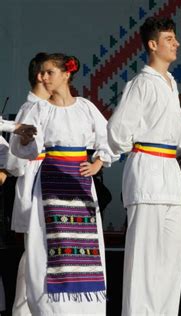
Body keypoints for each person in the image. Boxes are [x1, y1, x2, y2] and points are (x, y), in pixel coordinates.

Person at [107, 17, 181, 315]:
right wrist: (121, 150)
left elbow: (177, 126)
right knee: (145, 260)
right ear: (153, 45)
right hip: (147, 171)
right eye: (169, 38)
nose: (176, 43)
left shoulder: (170, 83)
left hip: (169, 175)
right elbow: (118, 130)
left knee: (170, 258)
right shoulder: (141, 83)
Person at [10, 53, 117, 315]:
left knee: (84, 246)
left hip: (79, 181)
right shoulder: (40, 109)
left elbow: (111, 139)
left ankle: (84, 307)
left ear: (66, 74)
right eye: (42, 73)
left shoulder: (85, 107)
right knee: (49, 245)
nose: (43, 77)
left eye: (49, 72)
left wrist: (98, 163)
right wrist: (25, 138)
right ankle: (53, 308)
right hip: (51, 182)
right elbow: (23, 150)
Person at [9, 52, 51, 316]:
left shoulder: (45, 107)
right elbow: (16, 162)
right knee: (34, 259)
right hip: (36, 184)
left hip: (46, 186)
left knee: (39, 258)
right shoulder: (31, 109)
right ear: (41, 76)